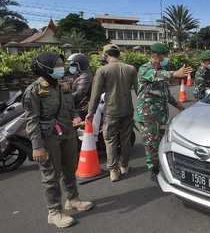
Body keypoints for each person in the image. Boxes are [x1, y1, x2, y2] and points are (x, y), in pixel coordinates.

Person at [23, 51, 93, 229]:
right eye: (58, 66)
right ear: (46, 67)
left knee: (70, 169)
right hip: (48, 137)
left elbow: (71, 107)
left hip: (68, 132)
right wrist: (37, 146)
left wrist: (76, 116)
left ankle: (72, 199)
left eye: (62, 65)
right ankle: (54, 212)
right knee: (50, 175)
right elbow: (31, 121)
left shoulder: (63, 85)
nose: (61, 69)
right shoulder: (34, 90)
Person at [136, 43, 192, 182]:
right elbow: (156, 76)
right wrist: (175, 74)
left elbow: (165, 92)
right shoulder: (145, 69)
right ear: (156, 56)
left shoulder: (162, 69)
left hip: (161, 114)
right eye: (165, 55)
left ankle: (162, 165)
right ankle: (154, 169)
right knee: (151, 143)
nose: (166, 58)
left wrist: (177, 104)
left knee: (161, 141)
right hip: (148, 114)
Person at [86, 44, 138, 182]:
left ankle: (113, 170)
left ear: (106, 55)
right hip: (127, 109)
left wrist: (90, 112)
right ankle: (125, 166)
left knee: (110, 140)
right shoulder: (131, 69)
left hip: (110, 110)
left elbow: (95, 95)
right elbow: (140, 91)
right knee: (125, 139)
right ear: (118, 54)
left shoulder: (102, 70)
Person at [67, 53, 93, 117]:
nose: (71, 67)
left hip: (81, 108)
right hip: (78, 105)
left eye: (73, 66)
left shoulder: (85, 77)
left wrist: (65, 98)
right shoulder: (79, 75)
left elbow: (79, 94)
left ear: (81, 65)